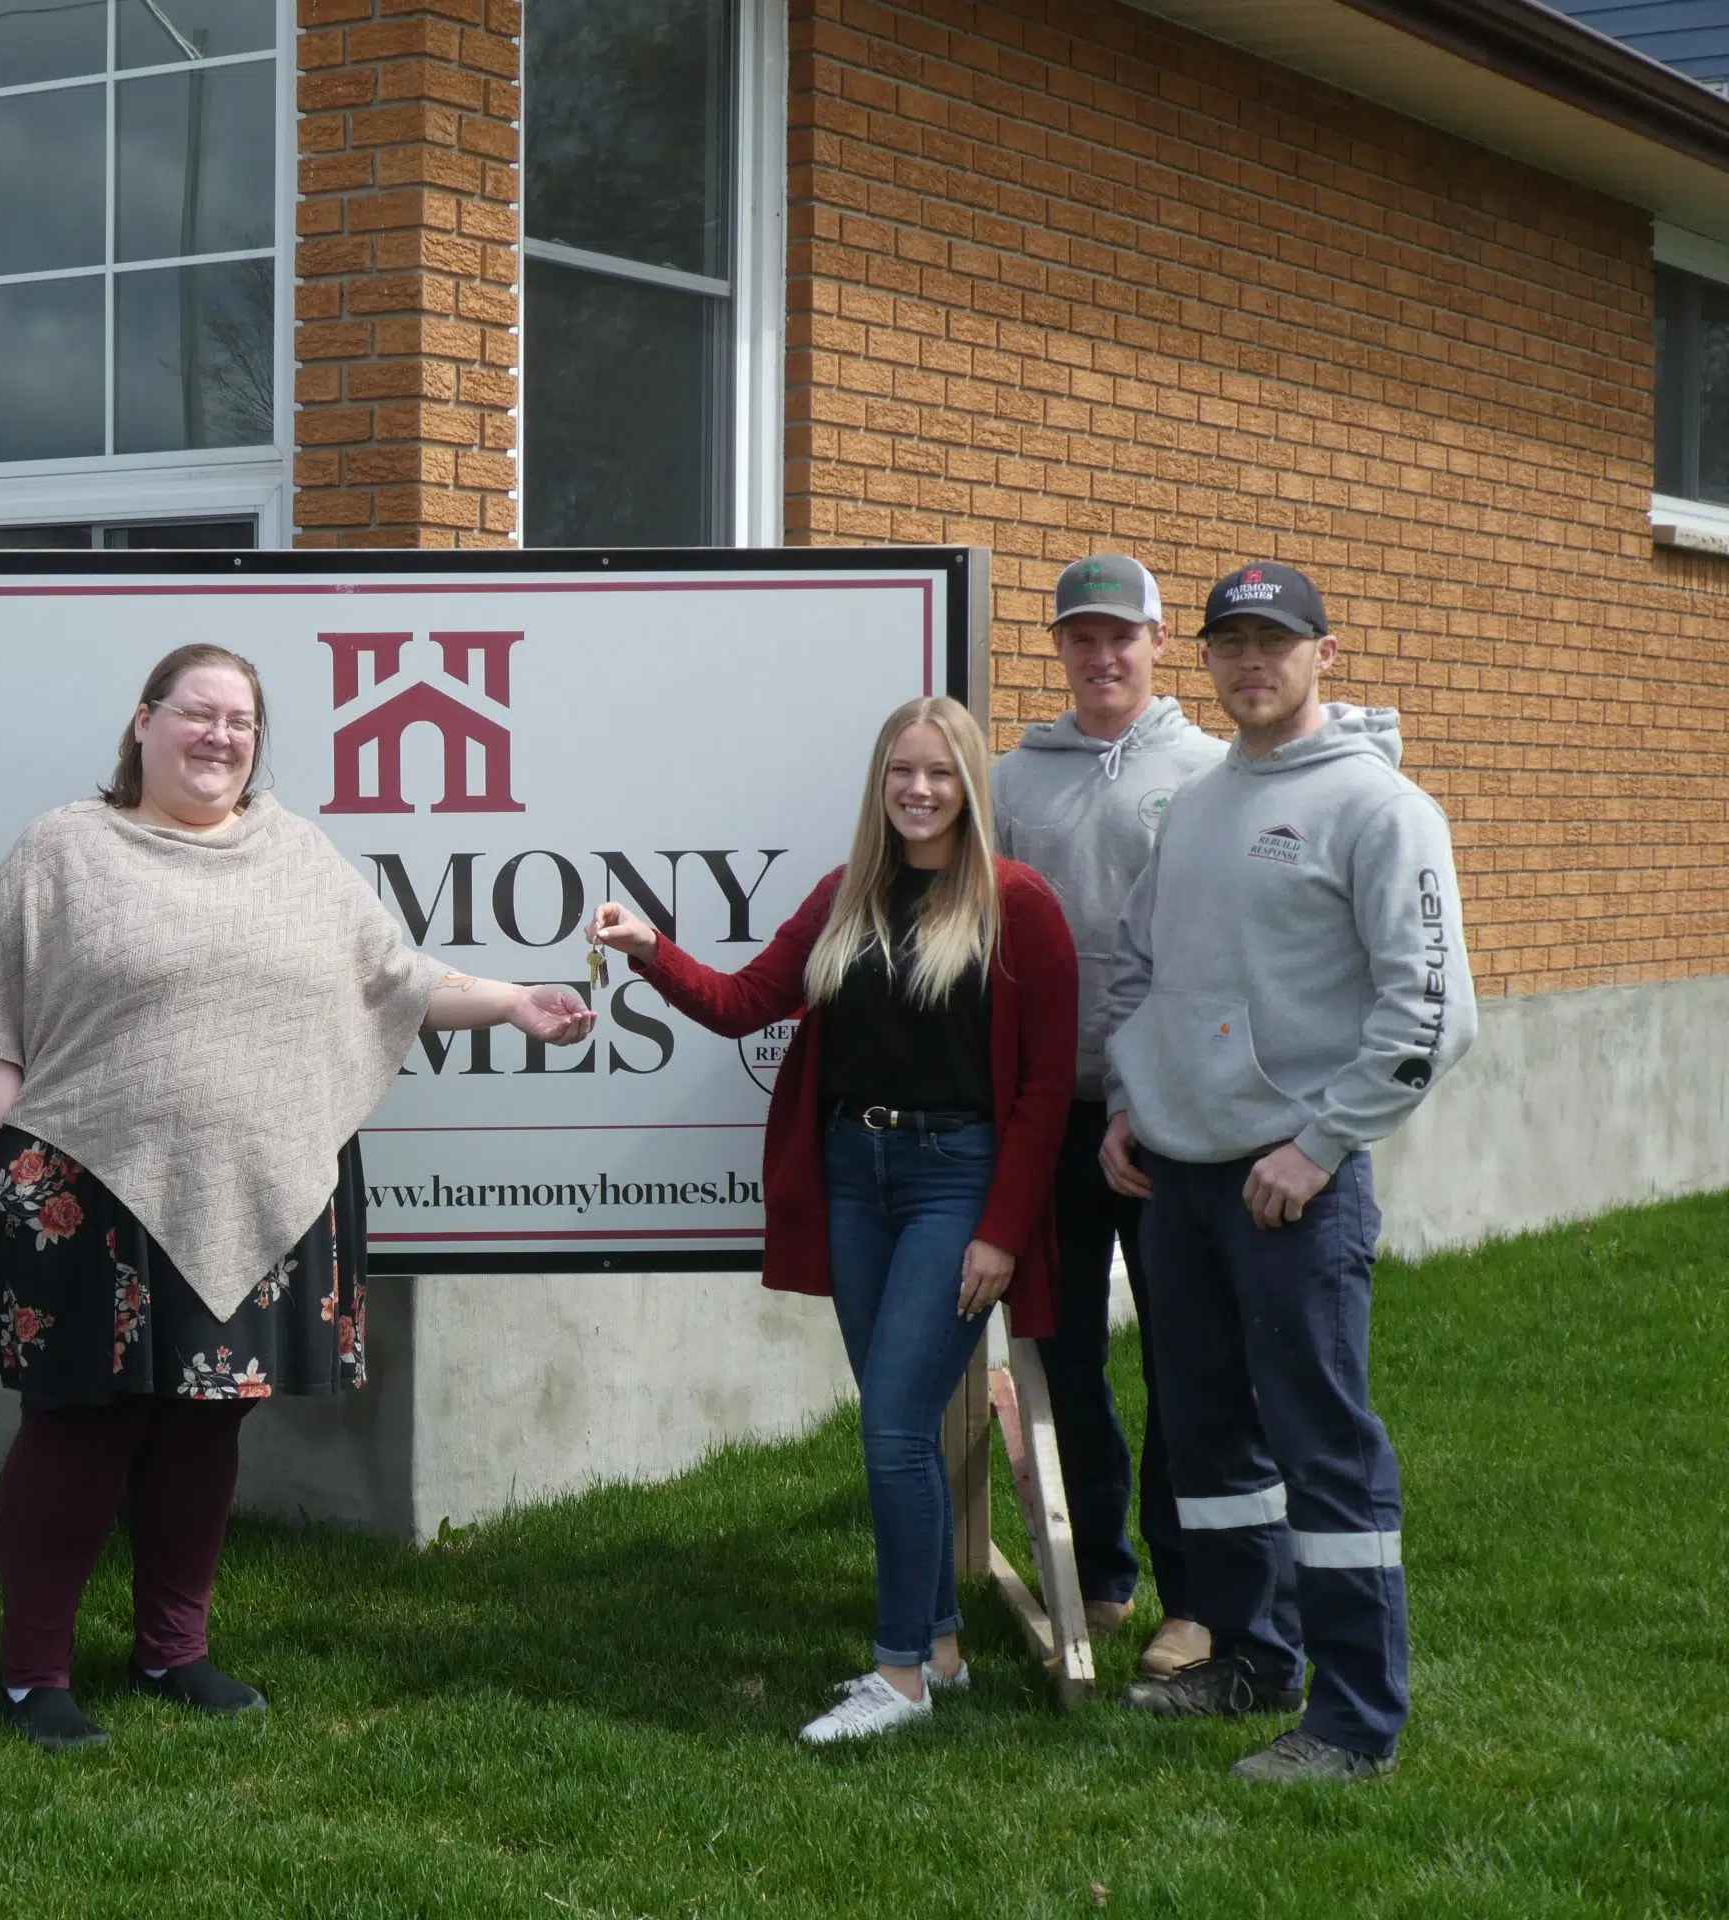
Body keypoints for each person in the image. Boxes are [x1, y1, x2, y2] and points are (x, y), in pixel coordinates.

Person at [0, 642, 595, 1754]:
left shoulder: (294, 854)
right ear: (144, 723)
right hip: (83, 1196)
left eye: (241, 722)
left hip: (258, 1185)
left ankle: (171, 1650)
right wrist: (19, 1157)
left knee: (204, 1428)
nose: (221, 736)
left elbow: (397, 980)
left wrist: (516, 1000)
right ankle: (32, 1673)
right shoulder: (64, 850)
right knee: (77, 1431)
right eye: (198, 713)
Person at [592, 695, 1076, 1744]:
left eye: (939, 773)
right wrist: (647, 947)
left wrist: (1000, 1228)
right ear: (879, 783)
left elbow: (1043, 1089)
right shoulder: (842, 896)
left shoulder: (1016, 903)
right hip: (855, 1176)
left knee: (893, 1428)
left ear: (969, 787)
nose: (917, 790)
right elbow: (740, 1003)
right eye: (901, 771)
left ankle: (896, 1676)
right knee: (899, 1426)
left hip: (958, 1179)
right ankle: (940, 1650)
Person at [1101, 561, 1475, 1782]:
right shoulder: (1203, 800)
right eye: (1229, 645)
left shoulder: (1382, 811)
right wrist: (1128, 1102)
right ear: (1203, 659)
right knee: (1208, 1443)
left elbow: (1430, 1015)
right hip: (1179, 1177)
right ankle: (1249, 1658)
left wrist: (1316, 1147)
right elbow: (1150, 970)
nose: (1249, 664)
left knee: (1321, 1446)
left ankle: (1354, 1717)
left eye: (1274, 641)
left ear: (1325, 652)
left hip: (1290, 1189)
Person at [991, 553, 1227, 1681]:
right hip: (1046, 1118)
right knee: (1059, 1356)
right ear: (1060, 649)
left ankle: (1192, 1595)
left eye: (1119, 636)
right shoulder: (1009, 784)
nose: (1100, 657)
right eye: (1080, 638)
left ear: (1158, 641)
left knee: (1183, 1358)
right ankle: (1096, 1571)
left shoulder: (1212, 772)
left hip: (1167, 1124)